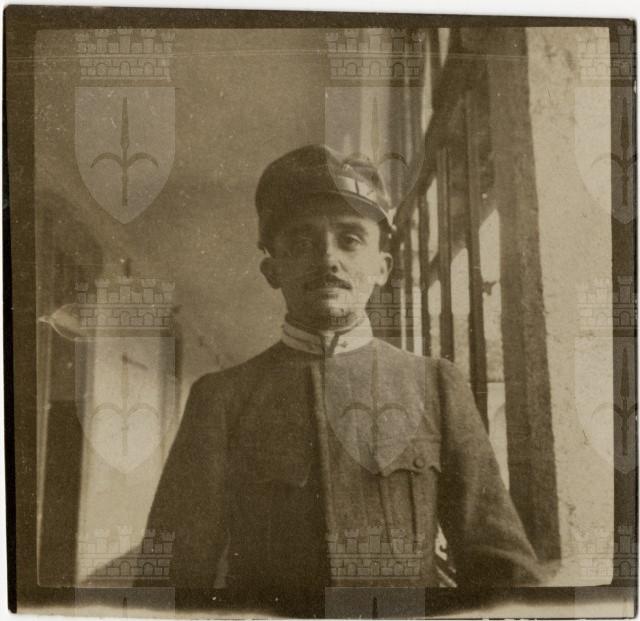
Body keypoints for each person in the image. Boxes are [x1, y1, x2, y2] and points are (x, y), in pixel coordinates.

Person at [141, 144, 543, 616]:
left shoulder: (435, 385)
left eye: (350, 240)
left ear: (381, 267)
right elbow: (168, 587)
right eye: (302, 243)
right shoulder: (222, 399)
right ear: (273, 270)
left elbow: (505, 575)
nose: (328, 258)